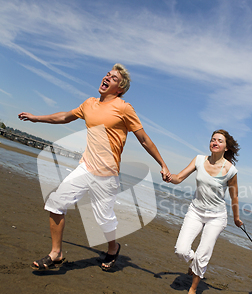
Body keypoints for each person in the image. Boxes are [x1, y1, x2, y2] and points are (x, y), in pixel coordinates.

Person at [18, 63, 170, 270]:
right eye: (107, 74)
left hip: (107, 175)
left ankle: (113, 248)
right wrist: (37, 118)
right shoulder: (89, 103)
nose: (107, 78)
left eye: (113, 78)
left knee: (104, 220)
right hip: (85, 167)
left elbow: (143, 139)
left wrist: (162, 164)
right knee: (55, 203)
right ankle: (56, 253)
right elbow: (64, 117)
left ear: (120, 89)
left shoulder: (124, 108)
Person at [168, 130, 243, 294]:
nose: (215, 142)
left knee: (203, 254)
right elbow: (179, 177)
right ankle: (194, 264)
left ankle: (193, 289)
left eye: (219, 141)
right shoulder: (199, 160)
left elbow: (234, 196)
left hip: (216, 217)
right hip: (195, 211)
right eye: (212, 140)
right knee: (181, 250)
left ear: (226, 147)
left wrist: (236, 218)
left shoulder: (231, 170)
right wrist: (168, 177)